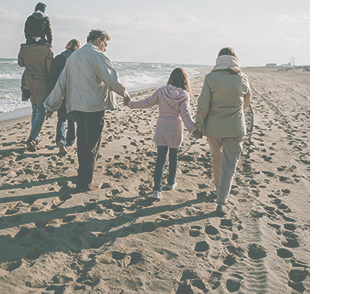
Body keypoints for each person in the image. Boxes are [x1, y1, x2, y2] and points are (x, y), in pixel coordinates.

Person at [44, 29, 130, 192]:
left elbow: (61, 84)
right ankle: (84, 183)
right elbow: (112, 79)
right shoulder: (97, 55)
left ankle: (81, 174)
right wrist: (125, 94)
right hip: (93, 106)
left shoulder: (73, 57)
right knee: (92, 145)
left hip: (76, 107)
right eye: (105, 44)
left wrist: (51, 106)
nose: (105, 48)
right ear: (98, 40)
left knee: (82, 142)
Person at [124, 68, 201, 199]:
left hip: (161, 127)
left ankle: (156, 190)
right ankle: (171, 183)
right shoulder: (184, 95)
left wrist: (130, 104)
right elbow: (186, 115)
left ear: (171, 78)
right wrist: (194, 130)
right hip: (175, 128)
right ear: (184, 81)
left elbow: (147, 102)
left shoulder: (161, 91)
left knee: (160, 159)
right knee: (173, 157)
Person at [195, 47, 251, 215]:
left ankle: (218, 189)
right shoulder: (243, 78)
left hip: (214, 127)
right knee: (230, 165)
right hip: (235, 126)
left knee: (216, 158)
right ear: (235, 60)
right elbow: (247, 102)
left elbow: (203, 104)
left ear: (218, 60)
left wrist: (199, 126)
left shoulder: (211, 78)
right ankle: (221, 200)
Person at [18, 42, 53, 151]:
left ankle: (36, 136)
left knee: (34, 110)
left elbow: (20, 63)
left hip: (28, 82)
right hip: (42, 82)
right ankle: (33, 137)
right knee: (41, 110)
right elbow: (49, 69)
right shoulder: (47, 49)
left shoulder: (24, 47)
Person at [48, 39, 81, 155]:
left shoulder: (58, 59)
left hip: (62, 91)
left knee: (61, 118)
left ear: (70, 45)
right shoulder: (79, 59)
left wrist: (54, 90)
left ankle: (61, 139)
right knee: (72, 116)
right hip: (75, 92)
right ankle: (71, 140)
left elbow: (52, 76)